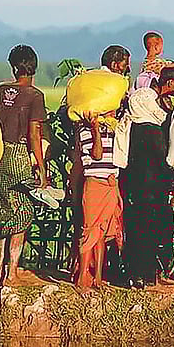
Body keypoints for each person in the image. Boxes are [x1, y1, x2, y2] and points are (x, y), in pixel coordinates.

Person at [0, 45, 47, 286]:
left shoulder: (1, 91)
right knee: (22, 212)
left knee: (4, 212)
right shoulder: (35, 95)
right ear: (34, 67)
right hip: (19, 155)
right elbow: (34, 134)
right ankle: (12, 272)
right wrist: (41, 167)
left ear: (14, 68)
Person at [124, 66, 174, 288]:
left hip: (141, 189)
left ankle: (142, 275)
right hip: (152, 190)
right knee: (151, 231)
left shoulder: (134, 129)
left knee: (140, 230)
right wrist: (173, 181)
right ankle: (148, 274)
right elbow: (163, 159)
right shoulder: (152, 130)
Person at [70, 107, 123, 291]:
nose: (113, 113)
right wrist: (95, 130)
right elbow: (97, 154)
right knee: (89, 231)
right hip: (94, 185)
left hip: (110, 185)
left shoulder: (114, 130)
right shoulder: (85, 131)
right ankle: (83, 275)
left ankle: (98, 277)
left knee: (101, 232)